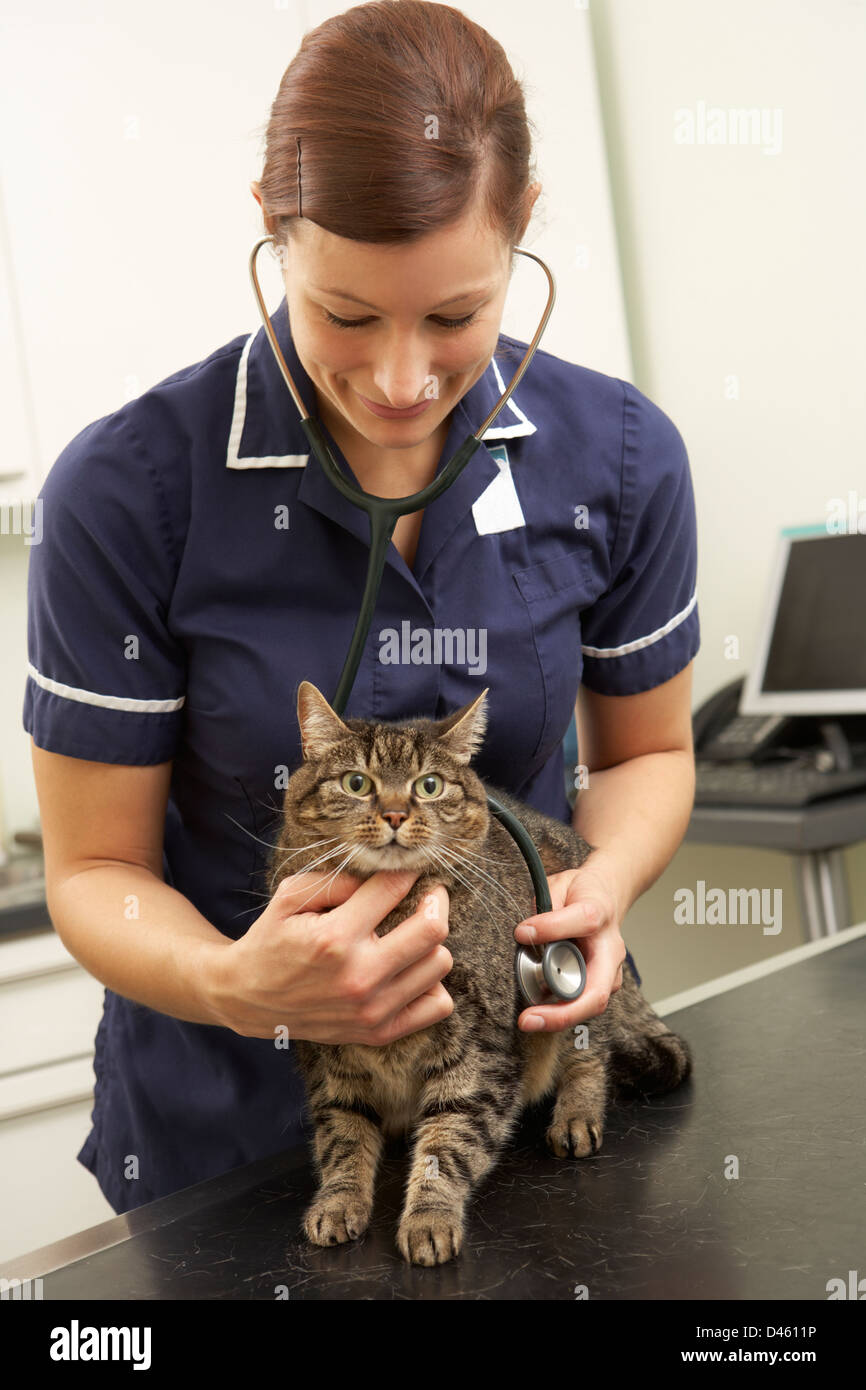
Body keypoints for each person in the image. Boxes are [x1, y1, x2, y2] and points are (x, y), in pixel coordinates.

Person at [23, 0, 699, 1216]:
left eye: (454, 315)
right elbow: (96, 866)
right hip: (230, 1152)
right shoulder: (128, 490)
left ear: (524, 228)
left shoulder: (620, 457)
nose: (400, 381)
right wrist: (243, 983)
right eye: (345, 313)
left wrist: (600, 884)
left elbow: (645, 752)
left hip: (523, 1114)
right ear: (272, 233)